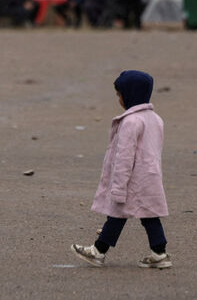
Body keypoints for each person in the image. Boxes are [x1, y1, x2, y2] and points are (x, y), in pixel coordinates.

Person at [72, 70, 171, 269]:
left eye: (119, 94)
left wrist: (118, 187)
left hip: (132, 178)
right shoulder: (156, 119)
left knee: (116, 214)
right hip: (150, 177)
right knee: (150, 215)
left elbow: (124, 157)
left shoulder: (131, 122)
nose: (118, 99)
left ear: (130, 94)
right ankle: (159, 253)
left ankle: (98, 251)